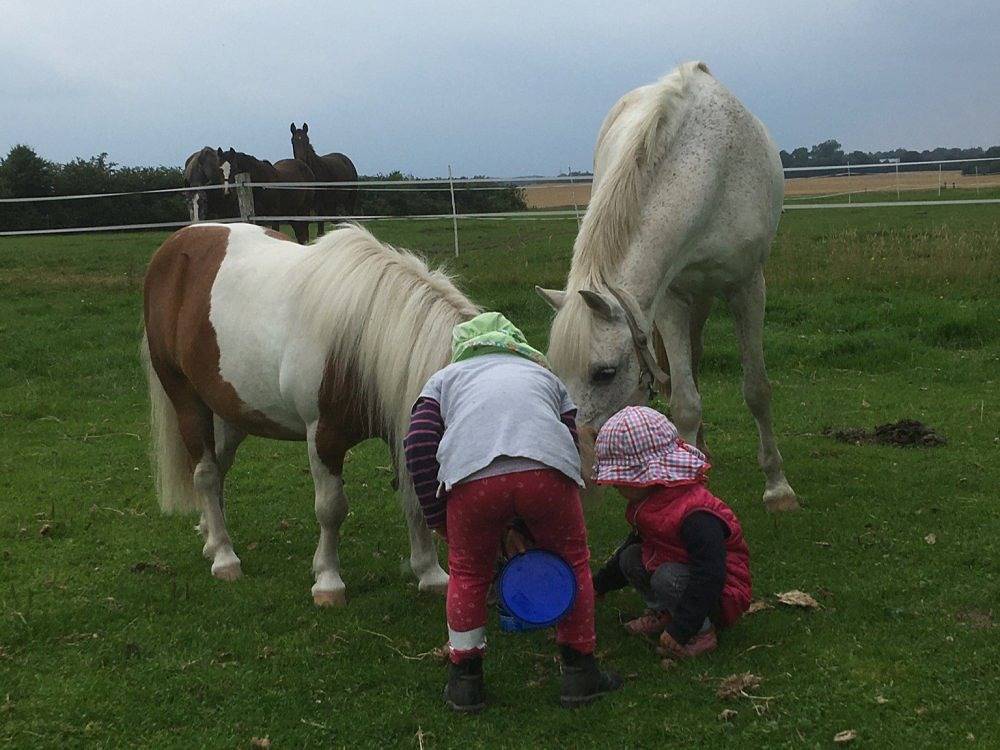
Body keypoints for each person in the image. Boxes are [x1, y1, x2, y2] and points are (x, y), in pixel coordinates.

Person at [404, 312, 622, 712]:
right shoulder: (543, 377)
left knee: (468, 572)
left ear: (463, 350)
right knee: (573, 561)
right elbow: (569, 436)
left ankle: (466, 682)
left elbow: (417, 442)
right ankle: (580, 672)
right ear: (518, 346)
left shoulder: (444, 380)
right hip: (547, 474)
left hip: (471, 481)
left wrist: (438, 516)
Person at [591, 406, 751, 659]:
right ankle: (665, 611)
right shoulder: (649, 505)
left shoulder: (695, 514)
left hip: (721, 593)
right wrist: (597, 585)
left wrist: (682, 629)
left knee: (666, 577)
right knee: (630, 557)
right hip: (684, 576)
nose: (615, 486)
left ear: (646, 476)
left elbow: (710, 574)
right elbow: (639, 544)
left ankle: (702, 632)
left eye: (620, 480)